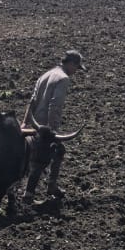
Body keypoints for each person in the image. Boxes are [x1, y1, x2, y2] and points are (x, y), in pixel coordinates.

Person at [22, 49, 84, 202]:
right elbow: (54, 105)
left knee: (57, 152)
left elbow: (32, 100)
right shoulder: (63, 78)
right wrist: (51, 130)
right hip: (46, 127)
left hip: (35, 124)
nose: (76, 71)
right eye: (77, 67)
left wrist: (25, 122)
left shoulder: (46, 74)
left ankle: (51, 186)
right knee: (42, 159)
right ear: (71, 64)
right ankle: (29, 195)